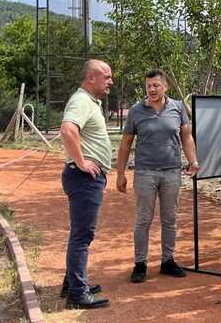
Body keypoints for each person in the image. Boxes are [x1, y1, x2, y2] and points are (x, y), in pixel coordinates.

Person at [116, 69, 199, 283]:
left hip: (172, 172)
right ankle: (140, 263)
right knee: (144, 219)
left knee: (169, 219)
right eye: (149, 86)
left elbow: (186, 137)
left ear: (165, 87)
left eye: (156, 85)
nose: (152, 89)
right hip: (145, 173)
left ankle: (167, 261)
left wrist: (193, 160)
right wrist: (120, 174)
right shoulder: (136, 111)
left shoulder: (178, 108)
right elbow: (125, 144)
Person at [60, 59, 113, 309]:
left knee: (79, 233)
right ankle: (77, 294)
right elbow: (68, 130)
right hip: (83, 178)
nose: (110, 81)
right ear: (91, 78)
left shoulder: (89, 101)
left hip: (86, 179)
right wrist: (82, 162)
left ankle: (72, 283)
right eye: (106, 76)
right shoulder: (81, 100)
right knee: (82, 235)